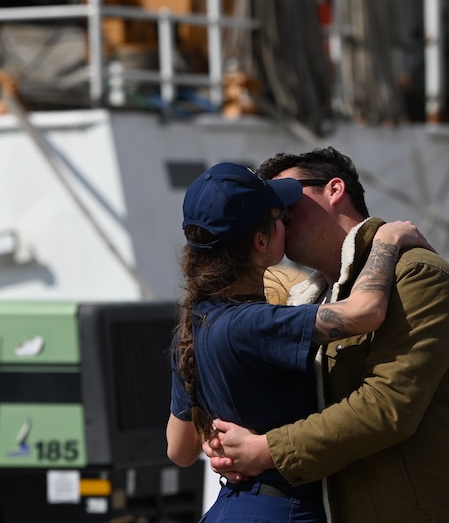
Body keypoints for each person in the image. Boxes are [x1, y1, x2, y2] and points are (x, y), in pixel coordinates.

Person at [204, 147, 449, 522]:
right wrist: (228, 442)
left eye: (288, 198)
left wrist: (268, 450)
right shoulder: (313, 301)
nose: (278, 214)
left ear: (334, 190)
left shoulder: (414, 276)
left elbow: (389, 406)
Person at [167, 161, 430, 522]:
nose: (287, 220)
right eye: (280, 217)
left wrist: (219, 442)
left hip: (229, 509)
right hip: (285, 510)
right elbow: (365, 311)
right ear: (261, 242)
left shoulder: (192, 328)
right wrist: (385, 241)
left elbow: (179, 450)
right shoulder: (254, 323)